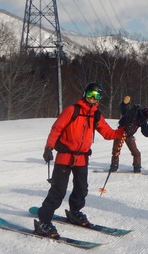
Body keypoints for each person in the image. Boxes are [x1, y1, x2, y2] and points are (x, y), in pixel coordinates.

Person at [35, 82, 126, 237]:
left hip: (82, 158)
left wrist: (125, 130)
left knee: (81, 189)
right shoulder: (72, 110)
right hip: (65, 156)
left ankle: (75, 212)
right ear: (84, 94)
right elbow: (56, 129)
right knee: (58, 191)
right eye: (90, 94)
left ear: (99, 98)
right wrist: (49, 147)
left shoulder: (96, 115)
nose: (92, 98)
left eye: (96, 95)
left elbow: (108, 133)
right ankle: (43, 221)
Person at [109, 96, 148, 173]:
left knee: (136, 153)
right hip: (120, 132)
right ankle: (114, 166)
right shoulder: (135, 112)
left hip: (129, 136)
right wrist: (125, 103)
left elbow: (146, 133)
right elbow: (124, 111)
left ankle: (137, 167)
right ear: (146, 112)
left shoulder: (144, 121)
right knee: (116, 150)